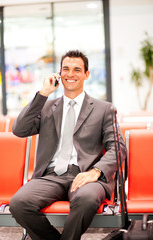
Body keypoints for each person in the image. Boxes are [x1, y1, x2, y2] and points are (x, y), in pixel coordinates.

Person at [10, 50, 126, 240]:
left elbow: (118, 148)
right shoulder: (46, 105)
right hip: (50, 176)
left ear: (86, 75)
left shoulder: (103, 109)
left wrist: (95, 172)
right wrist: (43, 94)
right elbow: (19, 130)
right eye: (66, 69)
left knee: (87, 199)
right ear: (59, 73)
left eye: (77, 69)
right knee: (19, 203)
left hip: (86, 175)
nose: (70, 74)